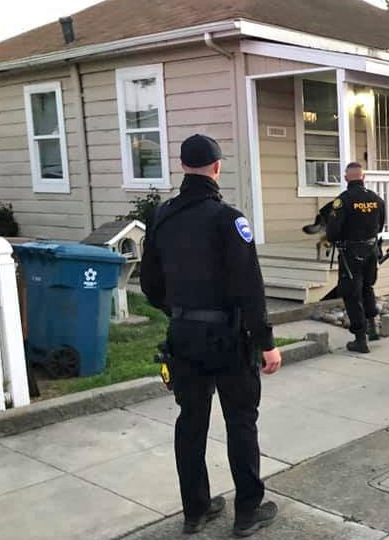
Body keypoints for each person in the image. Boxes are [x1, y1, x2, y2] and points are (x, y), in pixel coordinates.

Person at [140, 134, 281, 537]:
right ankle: (247, 512)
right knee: (241, 422)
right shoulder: (228, 219)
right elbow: (250, 286)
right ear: (217, 167)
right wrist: (266, 342)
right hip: (228, 338)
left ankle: (195, 510)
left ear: (183, 166)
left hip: (183, 334)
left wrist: (179, 312)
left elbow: (150, 282)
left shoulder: (162, 216)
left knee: (191, 421)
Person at [324, 162, 386, 353]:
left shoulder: (342, 201)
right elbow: (381, 224)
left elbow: (332, 232)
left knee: (352, 293)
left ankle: (360, 339)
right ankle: (372, 327)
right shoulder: (375, 199)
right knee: (367, 287)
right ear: (363, 177)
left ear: (345, 178)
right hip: (371, 249)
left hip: (351, 253)